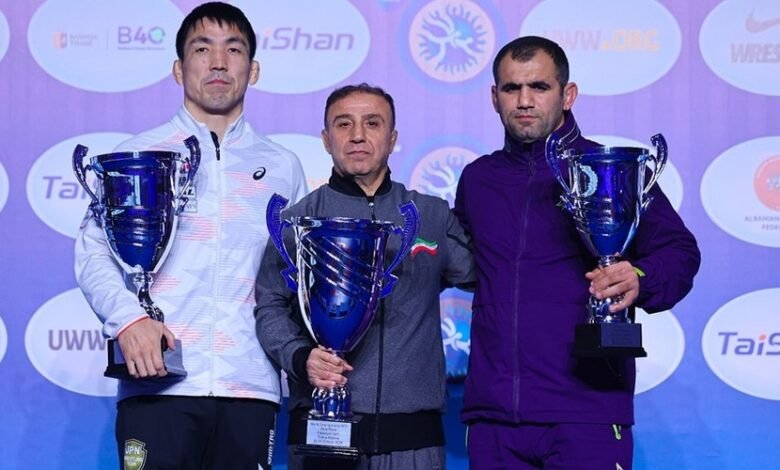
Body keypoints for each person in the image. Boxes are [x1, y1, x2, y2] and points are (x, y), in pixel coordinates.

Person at [74, 3, 307, 468]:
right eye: (203, 49)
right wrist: (128, 321)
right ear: (179, 69)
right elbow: (93, 252)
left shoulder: (283, 167)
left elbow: (295, 277)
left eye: (233, 50)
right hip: (157, 382)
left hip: (249, 389)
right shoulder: (138, 155)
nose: (218, 62)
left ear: (253, 69)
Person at [453, 36, 701, 470]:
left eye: (539, 87)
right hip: (495, 416)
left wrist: (639, 278)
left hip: (587, 410)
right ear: (494, 98)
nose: (524, 100)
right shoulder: (478, 179)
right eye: (511, 88)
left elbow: (679, 252)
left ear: (567, 95)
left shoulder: (609, 168)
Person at [255, 83, 474, 469]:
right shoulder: (298, 223)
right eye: (344, 124)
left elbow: (489, 275)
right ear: (326, 139)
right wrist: (301, 357)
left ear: (393, 139)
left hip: (413, 440)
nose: (357, 135)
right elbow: (270, 306)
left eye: (372, 123)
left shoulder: (430, 216)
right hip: (320, 433)